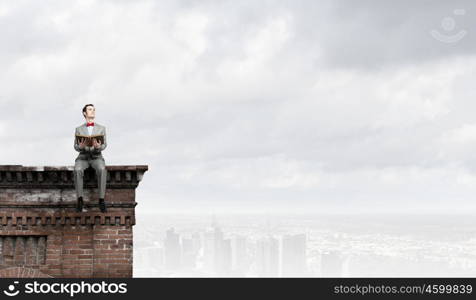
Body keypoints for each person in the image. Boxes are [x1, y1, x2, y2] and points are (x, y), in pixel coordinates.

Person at [73, 104, 108, 212]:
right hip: (83, 157)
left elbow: (105, 145)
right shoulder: (78, 129)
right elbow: (75, 146)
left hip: (96, 157)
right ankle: (80, 199)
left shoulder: (102, 128)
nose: (92, 111)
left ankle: (101, 199)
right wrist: (81, 146)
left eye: (93, 110)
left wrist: (98, 147)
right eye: (90, 109)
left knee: (102, 169)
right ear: (84, 113)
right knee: (77, 169)